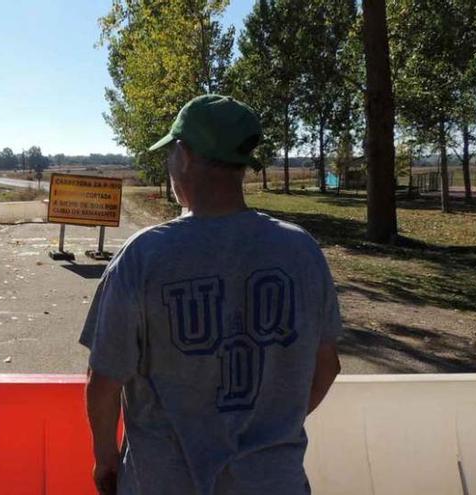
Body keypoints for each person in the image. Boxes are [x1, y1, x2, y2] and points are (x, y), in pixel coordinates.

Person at [80, 94, 342, 495]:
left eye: (170, 152)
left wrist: (105, 459)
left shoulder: (143, 256)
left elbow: (103, 381)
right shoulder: (302, 250)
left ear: (184, 155)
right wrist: (272, 431)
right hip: (274, 482)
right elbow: (327, 367)